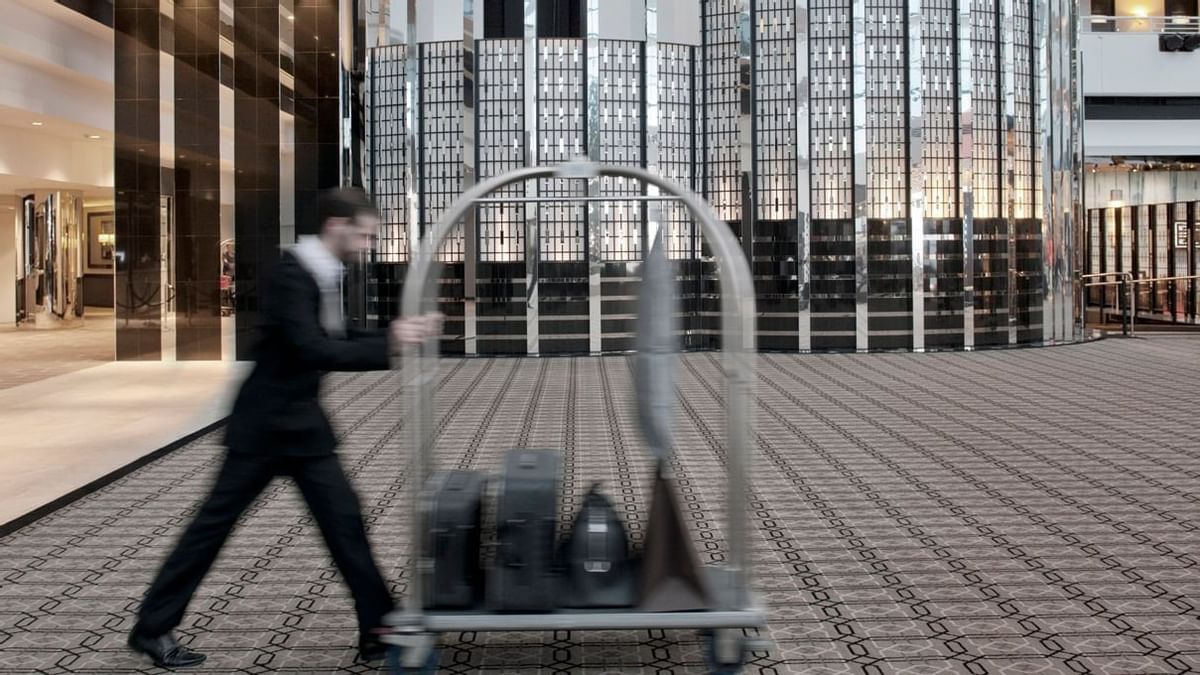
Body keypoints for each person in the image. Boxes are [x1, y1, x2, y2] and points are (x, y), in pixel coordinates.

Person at [127, 188, 442, 668]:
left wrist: (397, 335)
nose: (366, 246)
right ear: (337, 225)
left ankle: (378, 629)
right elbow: (311, 348)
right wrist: (392, 340)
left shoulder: (324, 271)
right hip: (263, 429)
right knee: (210, 531)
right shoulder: (291, 273)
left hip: (302, 428)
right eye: (364, 235)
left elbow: (335, 338)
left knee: (346, 526)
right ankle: (152, 629)